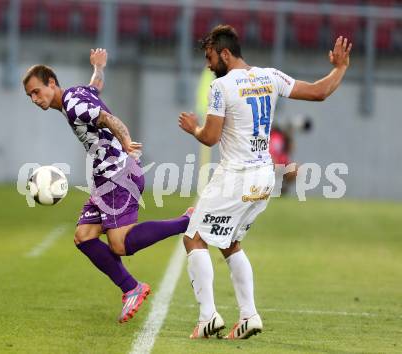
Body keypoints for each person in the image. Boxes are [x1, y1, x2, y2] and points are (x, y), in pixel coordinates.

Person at [179, 25, 351, 339]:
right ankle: (249, 316)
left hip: (236, 176)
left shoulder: (222, 87)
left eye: (209, 57)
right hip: (264, 178)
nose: (207, 64)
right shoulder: (269, 76)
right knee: (230, 244)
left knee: (193, 237)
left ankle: (207, 318)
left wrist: (194, 128)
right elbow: (319, 91)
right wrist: (339, 68)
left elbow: (211, 137)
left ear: (225, 54)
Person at [23, 49, 192, 323]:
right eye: (30, 95)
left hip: (117, 174)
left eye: (36, 91)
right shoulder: (76, 94)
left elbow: (107, 119)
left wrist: (125, 141)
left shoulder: (73, 105)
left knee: (120, 243)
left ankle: (186, 221)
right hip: (106, 177)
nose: (34, 99)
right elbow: (96, 86)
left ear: (51, 82)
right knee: (84, 236)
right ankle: (131, 288)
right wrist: (99, 67)